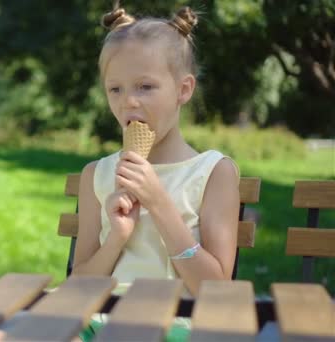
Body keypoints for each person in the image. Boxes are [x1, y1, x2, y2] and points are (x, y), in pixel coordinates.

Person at [71, 2, 240, 341]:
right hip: (101, 320)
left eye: (145, 87)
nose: (128, 102)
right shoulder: (97, 175)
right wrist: (116, 237)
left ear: (183, 90)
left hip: (176, 325)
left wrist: (161, 204)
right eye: (115, 89)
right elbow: (77, 288)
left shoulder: (213, 173)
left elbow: (217, 290)